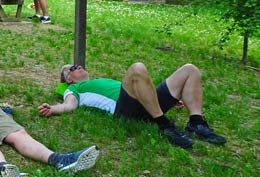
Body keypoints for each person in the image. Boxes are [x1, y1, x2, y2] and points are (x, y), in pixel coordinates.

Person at [38, 63, 227, 148]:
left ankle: (196, 122)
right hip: (124, 109)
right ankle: (164, 124)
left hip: (143, 103)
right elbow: (69, 105)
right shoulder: (75, 89)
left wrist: (157, 99)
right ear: (68, 79)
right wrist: (53, 109)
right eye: (73, 68)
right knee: (137, 69)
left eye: (79, 65)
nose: (79, 67)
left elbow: (140, 87)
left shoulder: (99, 81)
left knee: (189, 70)